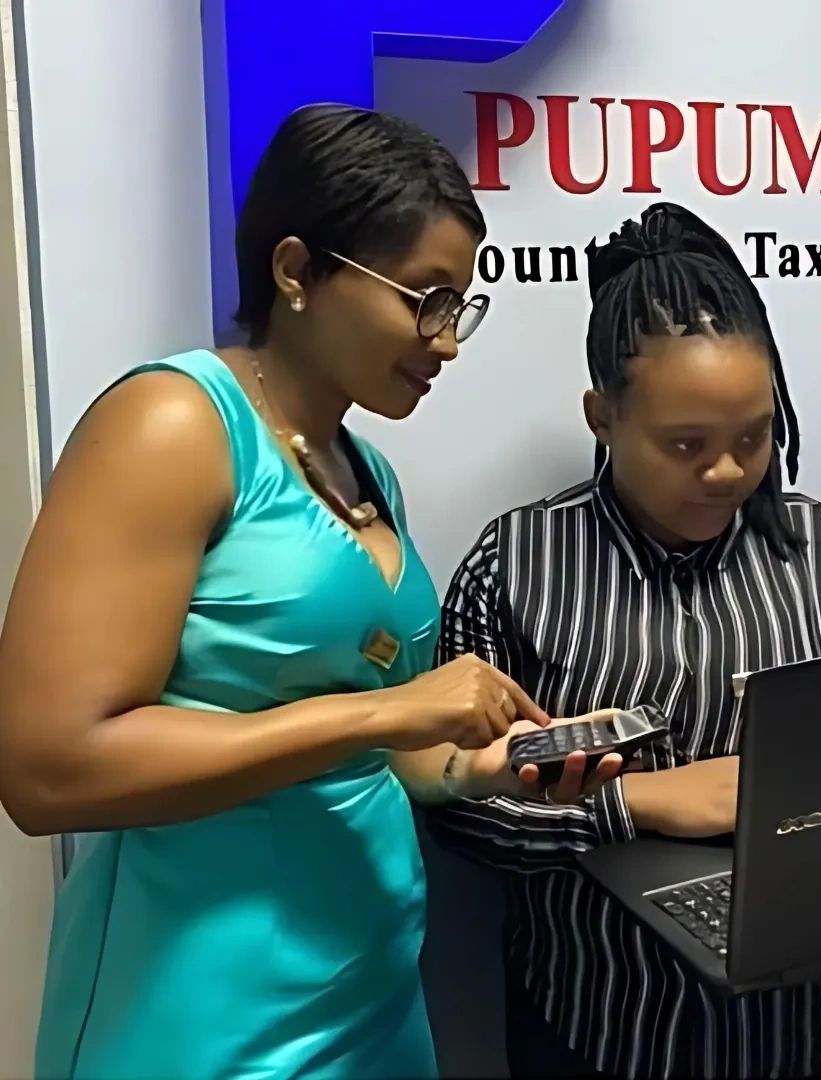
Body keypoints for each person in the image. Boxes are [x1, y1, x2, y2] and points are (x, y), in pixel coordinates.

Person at [0, 104, 619, 1080]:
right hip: (208, 1015)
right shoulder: (172, 424)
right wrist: (384, 709)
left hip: (370, 1003)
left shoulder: (363, 467)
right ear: (296, 272)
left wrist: (492, 767)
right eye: (424, 299)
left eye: (459, 307)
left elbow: (388, 758)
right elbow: (47, 770)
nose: (445, 341)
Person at [429, 203, 821, 1078]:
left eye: (753, 437)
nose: (728, 470)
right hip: (604, 1027)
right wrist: (646, 802)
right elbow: (457, 810)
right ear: (601, 417)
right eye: (686, 444)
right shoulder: (517, 567)